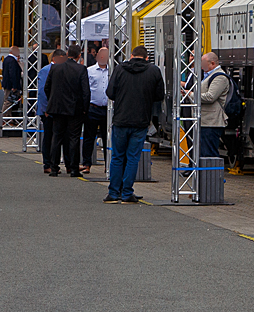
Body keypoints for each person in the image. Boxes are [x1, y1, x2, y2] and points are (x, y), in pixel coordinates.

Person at [105, 44, 165, 204]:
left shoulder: (119, 69)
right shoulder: (154, 71)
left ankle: (113, 193)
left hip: (121, 119)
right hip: (140, 120)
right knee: (132, 158)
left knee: (117, 157)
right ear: (147, 58)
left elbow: (110, 93)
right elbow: (160, 95)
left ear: (131, 56)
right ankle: (126, 193)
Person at [44, 45, 89, 178]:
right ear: (79, 56)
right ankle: (73, 168)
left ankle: (54, 167)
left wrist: (53, 101)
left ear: (67, 53)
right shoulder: (81, 69)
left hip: (57, 108)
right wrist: (85, 109)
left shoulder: (55, 68)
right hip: (75, 109)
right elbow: (85, 91)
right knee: (73, 138)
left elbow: (47, 87)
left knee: (56, 137)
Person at [195, 52, 231, 162]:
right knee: (203, 152)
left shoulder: (220, 77)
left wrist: (191, 95)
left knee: (209, 153)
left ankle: (211, 177)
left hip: (211, 122)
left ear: (212, 63)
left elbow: (211, 97)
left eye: (203, 63)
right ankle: (205, 177)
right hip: (205, 121)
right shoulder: (208, 75)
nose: (201, 65)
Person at [82, 46, 110, 174]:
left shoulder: (113, 71)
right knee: (89, 137)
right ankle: (87, 164)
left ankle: (107, 164)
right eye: (101, 54)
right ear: (97, 56)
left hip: (107, 110)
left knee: (107, 138)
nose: (103, 57)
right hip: (93, 108)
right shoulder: (89, 71)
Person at [37, 51, 56, 174]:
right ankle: (47, 163)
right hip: (48, 110)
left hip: (58, 110)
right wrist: (46, 109)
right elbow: (43, 91)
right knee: (48, 136)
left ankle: (54, 162)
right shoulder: (46, 70)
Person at [0, 45, 23, 113]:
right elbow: (13, 74)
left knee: (8, 101)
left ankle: (8, 118)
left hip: (7, 84)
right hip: (10, 85)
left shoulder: (7, 59)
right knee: (8, 102)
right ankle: (4, 117)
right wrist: (14, 86)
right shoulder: (12, 61)